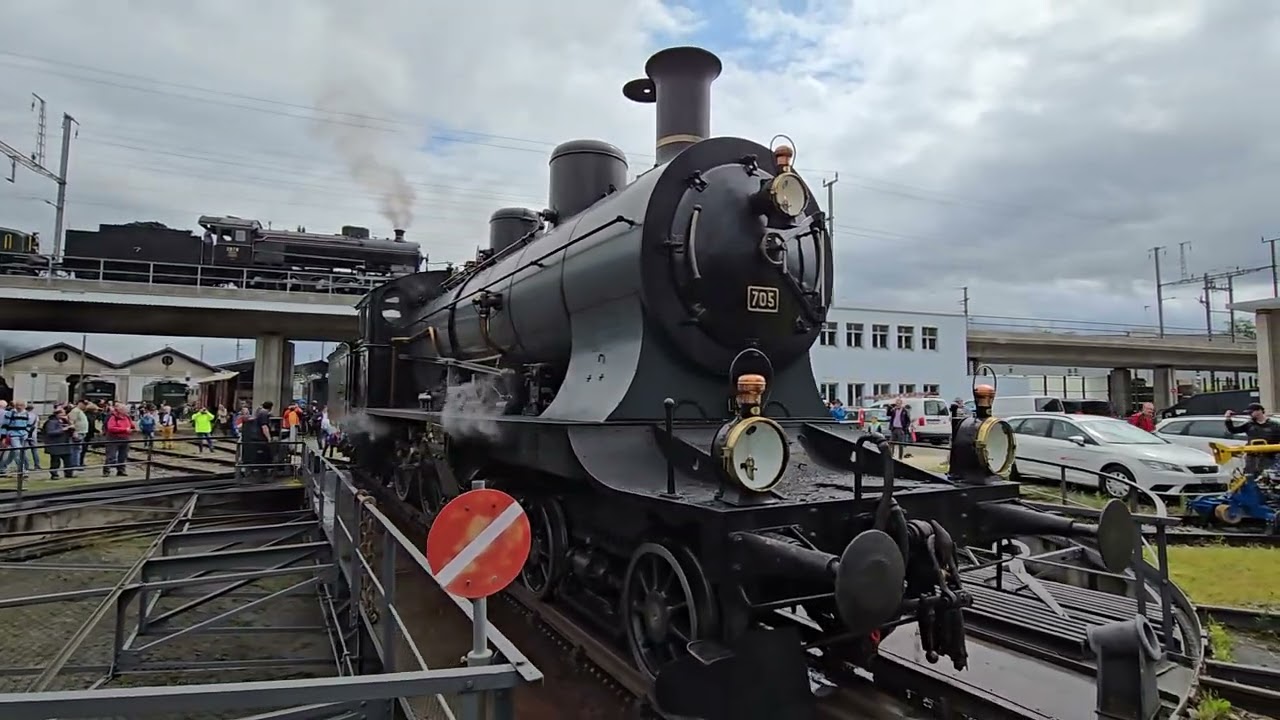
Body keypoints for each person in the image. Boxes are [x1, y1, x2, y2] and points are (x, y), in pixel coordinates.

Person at [1225, 404, 1280, 475]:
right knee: (1250, 475)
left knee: (1267, 475)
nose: (1250, 415)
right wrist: (1228, 419)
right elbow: (1233, 430)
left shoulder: (1274, 425)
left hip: (1269, 455)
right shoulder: (1249, 424)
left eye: (1251, 412)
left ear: (1259, 411)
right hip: (1252, 455)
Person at [0, 400, 33, 478]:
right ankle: (22, 470)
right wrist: (3, 437)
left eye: (21, 405)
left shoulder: (27, 414)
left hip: (23, 435)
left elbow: (29, 425)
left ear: (24, 406)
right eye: (18, 405)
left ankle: (2, 468)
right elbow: (5, 426)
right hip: (13, 435)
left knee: (14, 453)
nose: (19, 407)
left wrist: (27, 433)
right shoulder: (10, 413)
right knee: (18, 452)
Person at [102, 403, 134, 477]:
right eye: (125, 409)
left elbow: (131, 425)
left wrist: (132, 428)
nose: (127, 411)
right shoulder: (113, 417)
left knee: (123, 455)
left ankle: (121, 470)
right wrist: (124, 430)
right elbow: (111, 428)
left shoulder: (127, 417)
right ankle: (107, 470)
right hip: (113, 438)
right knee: (111, 455)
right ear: (120, 410)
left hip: (125, 438)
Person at [42, 407, 75, 480]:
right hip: (56, 444)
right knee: (55, 461)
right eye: (63, 414)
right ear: (58, 414)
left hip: (65, 444)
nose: (65, 415)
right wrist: (64, 429)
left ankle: (69, 473)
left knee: (68, 461)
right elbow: (50, 432)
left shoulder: (65, 421)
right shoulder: (51, 422)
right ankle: (54, 474)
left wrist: (70, 425)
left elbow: (71, 431)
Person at [68, 400, 89, 471]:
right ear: (80, 403)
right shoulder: (75, 411)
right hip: (78, 432)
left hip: (82, 432)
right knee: (76, 449)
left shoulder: (80, 411)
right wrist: (74, 431)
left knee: (78, 449)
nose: (85, 406)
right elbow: (71, 421)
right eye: (84, 404)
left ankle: (76, 463)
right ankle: (75, 464)